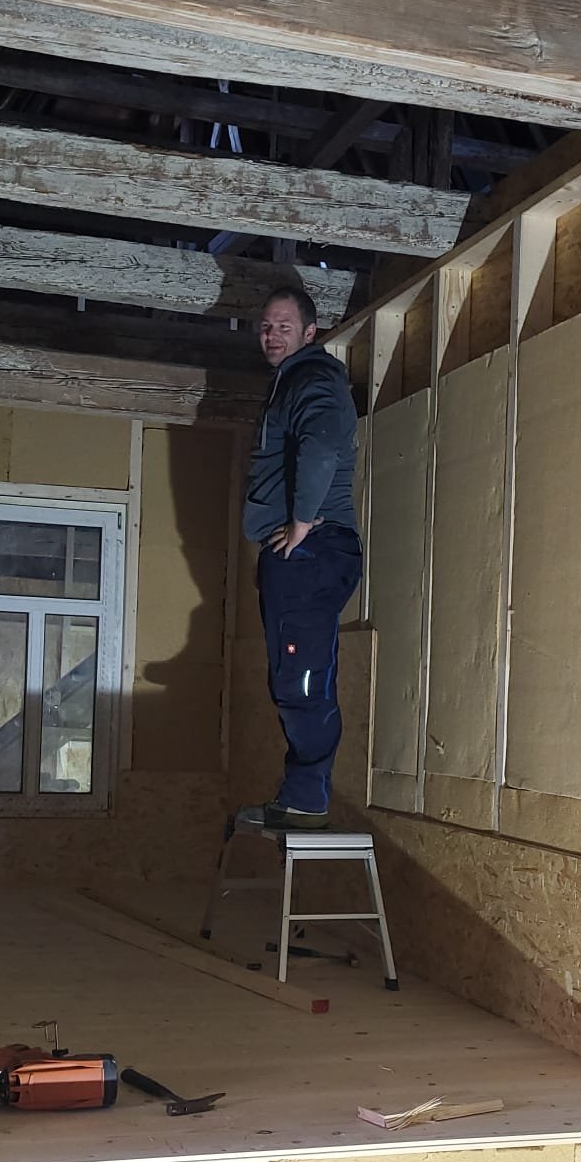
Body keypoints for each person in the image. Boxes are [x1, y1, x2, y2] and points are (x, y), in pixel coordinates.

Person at [237, 285, 362, 831]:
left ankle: (307, 800)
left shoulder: (313, 378)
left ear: (310, 332)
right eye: (266, 326)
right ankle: (300, 794)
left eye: (284, 326)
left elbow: (322, 446)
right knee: (295, 678)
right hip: (305, 555)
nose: (272, 335)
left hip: (313, 549)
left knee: (301, 681)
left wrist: (302, 523)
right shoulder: (292, 381)